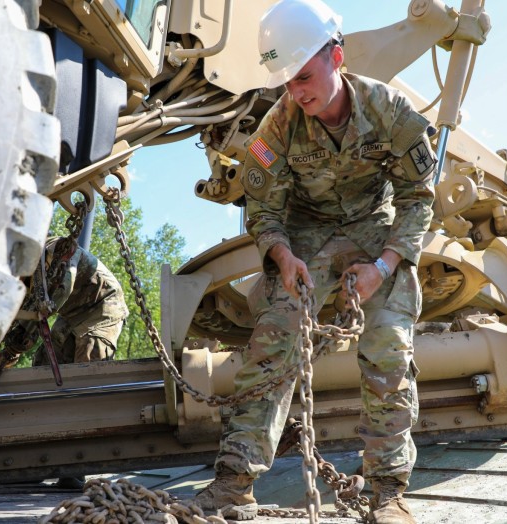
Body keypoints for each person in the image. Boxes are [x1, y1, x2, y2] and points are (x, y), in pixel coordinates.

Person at [192, 1, 435, 523]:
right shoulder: (276, 130)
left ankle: (386, 492)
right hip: (305, 234)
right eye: (286, 83)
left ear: (337, 57)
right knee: (273, 342)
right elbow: (263, 208)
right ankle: (234, 484)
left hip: (375, 225)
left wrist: (385, 267)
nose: (297, 92)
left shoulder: (390, 112)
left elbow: (418, 197)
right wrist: (281, 257)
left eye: (303, 76)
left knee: (388, 346)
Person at [0, 236, 129, 488]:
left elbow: (60, 291)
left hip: (102, 307)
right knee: (43, 369)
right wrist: (11, 350)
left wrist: (29, 327)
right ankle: (40, 462)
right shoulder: (24, 277)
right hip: (70, 312)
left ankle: (76, 467)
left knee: (87, 373)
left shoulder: (58, 249)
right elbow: (29, 314)